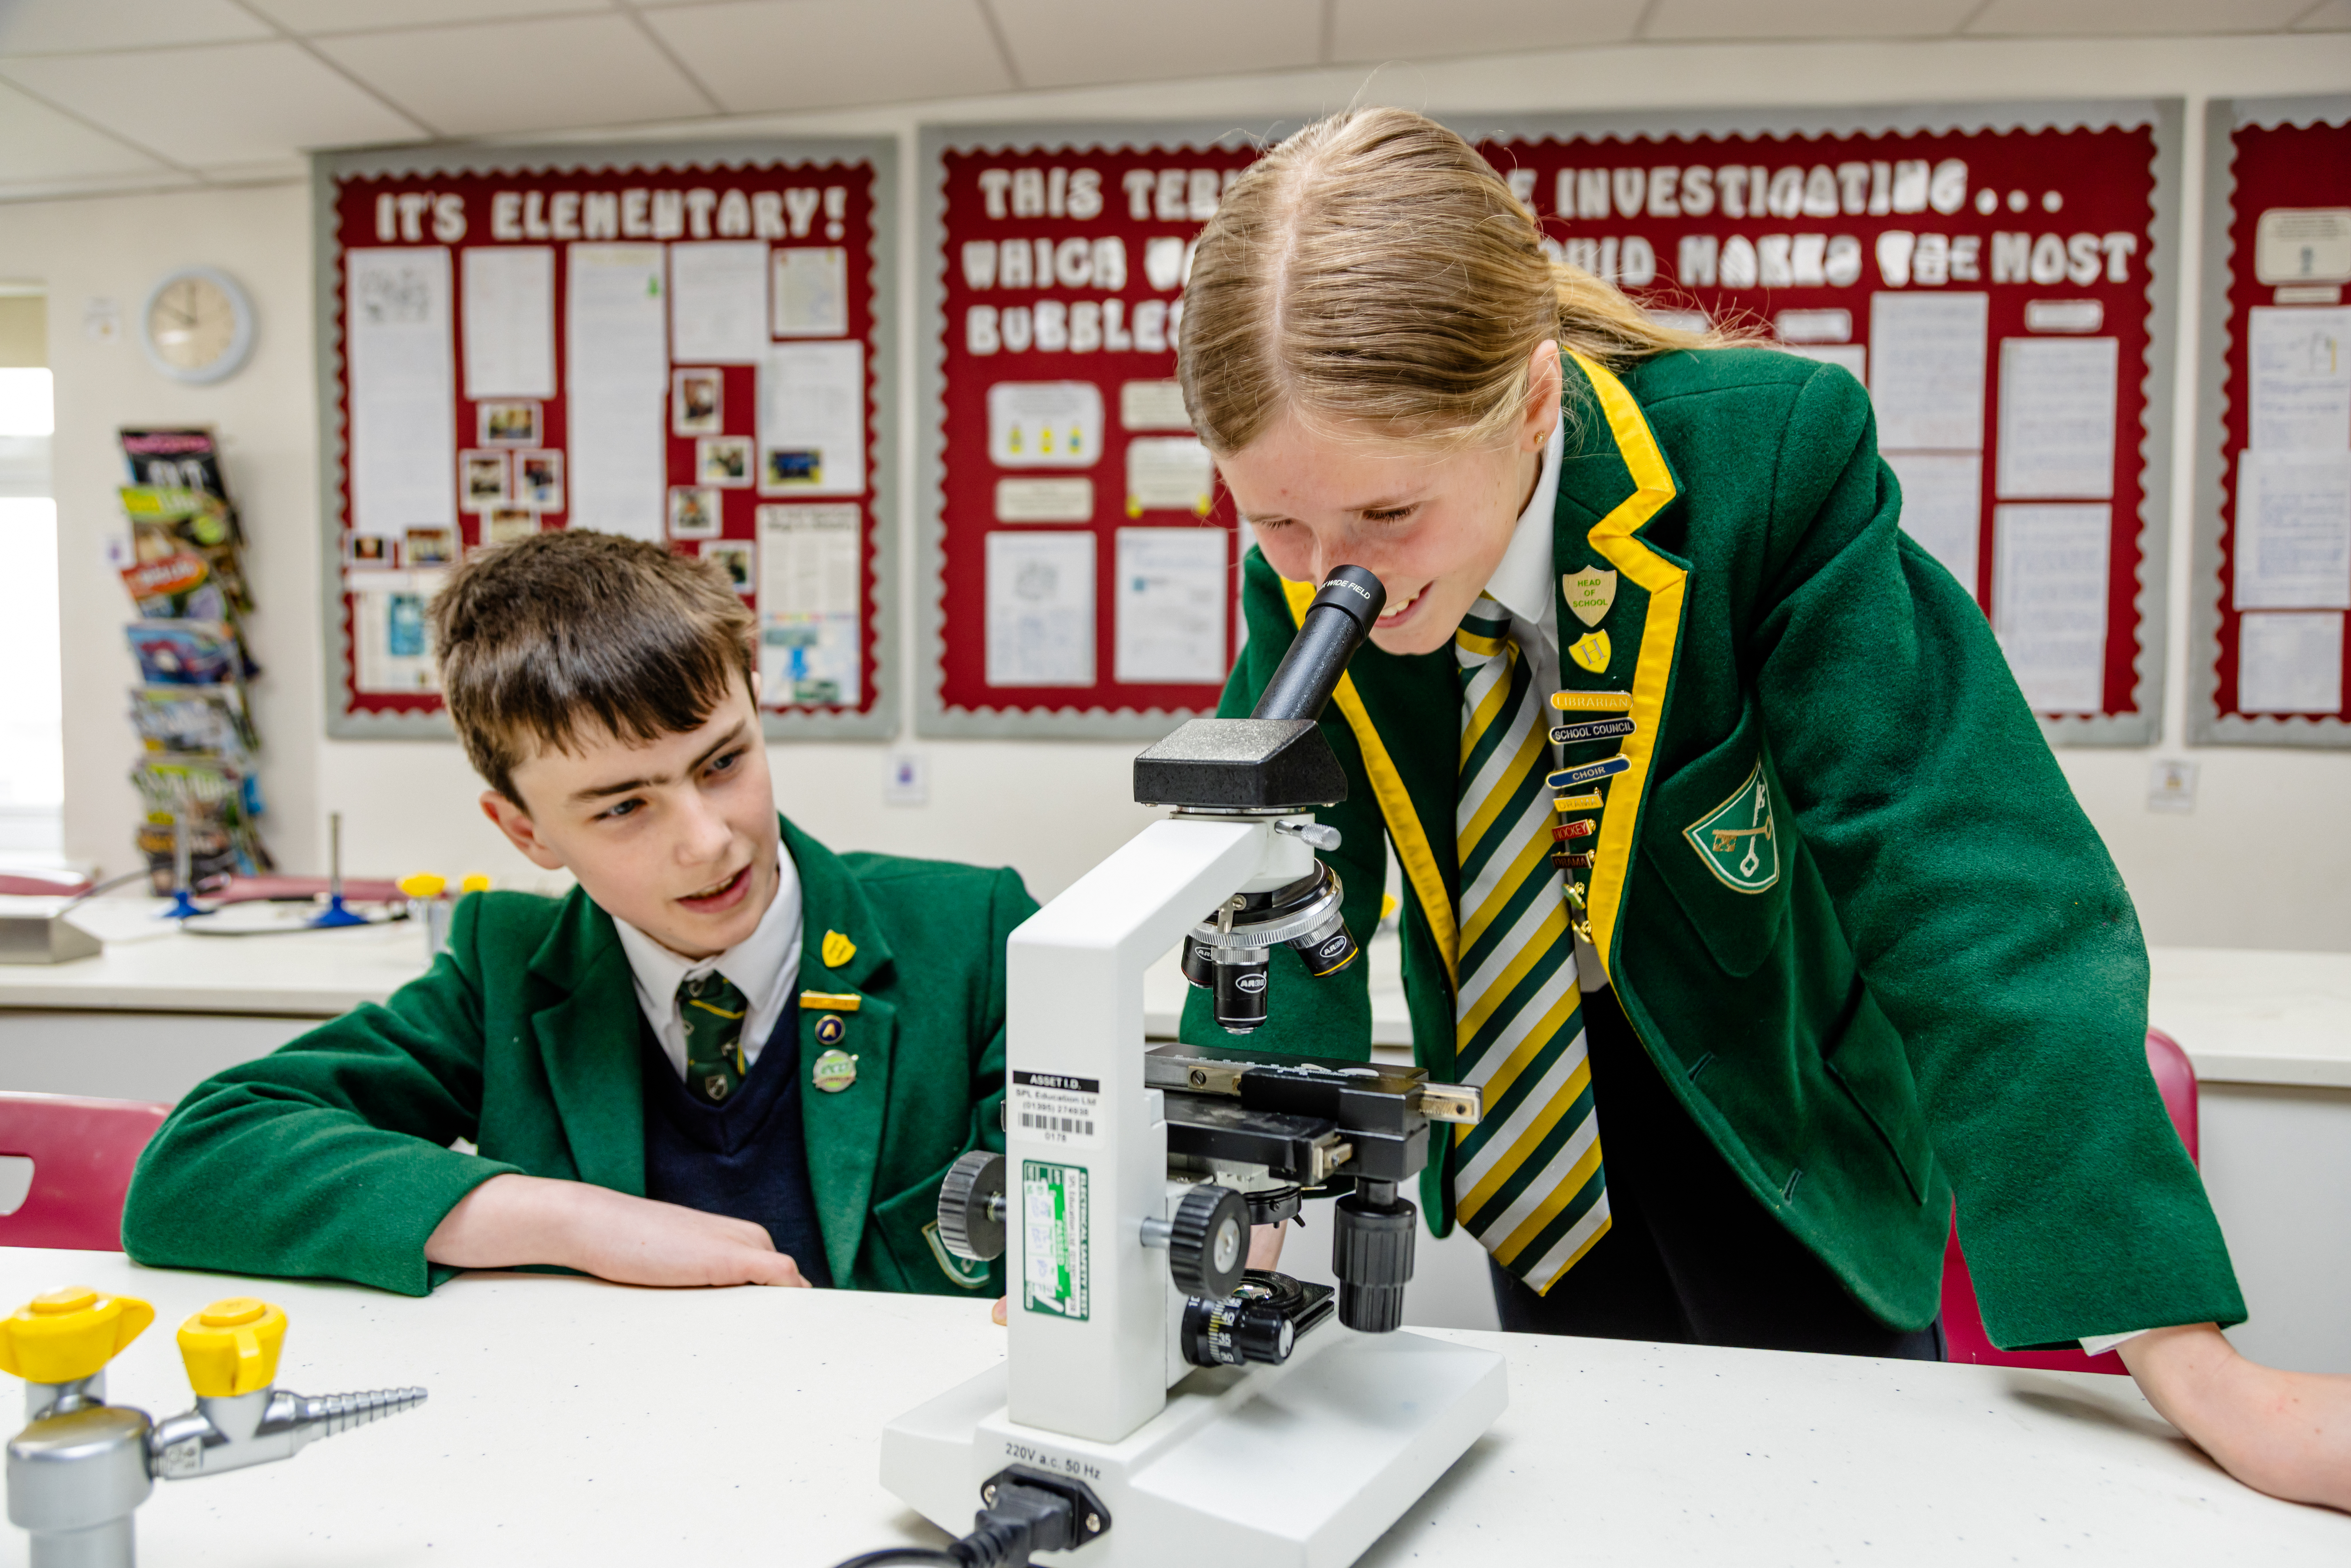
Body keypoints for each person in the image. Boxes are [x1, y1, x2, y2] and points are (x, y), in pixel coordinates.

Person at [1177, 107, 2350, 1509]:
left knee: (1831, 1503)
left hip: (1781, 1114)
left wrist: (2186, 1354)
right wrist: (1203, 1216)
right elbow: (1277, 876)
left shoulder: (1764, 469)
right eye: (1273, 525)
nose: (1327, 581)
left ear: (1534, 400)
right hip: (1534, 1111)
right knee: (1581, 1499)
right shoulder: (1317, 550)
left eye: (1384, 519)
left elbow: (1965, 880)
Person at [124, 530, 1029, 1301]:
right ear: (525, 831)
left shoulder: (975, 935)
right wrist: (568, 1221)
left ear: (755, 700)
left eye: (722, 764)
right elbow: (195, 1166)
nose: (708, 841)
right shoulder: (507, 968)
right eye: (624, 807)